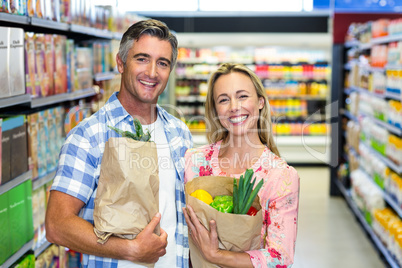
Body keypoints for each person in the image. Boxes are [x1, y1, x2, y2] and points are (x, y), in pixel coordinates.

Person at [45, 19, 193, 268]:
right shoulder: (89, 135)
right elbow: (56, 225)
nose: (152, 72)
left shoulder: (179, 133)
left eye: (163, 63)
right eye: (142, 59)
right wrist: (131, 250)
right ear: (121, 63)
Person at [183, 63, 299, 268]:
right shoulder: (194, 162)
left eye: (242, 96)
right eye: (223, 99)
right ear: (215, 109)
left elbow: (280, 258)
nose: (234, 106)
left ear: (261, 102)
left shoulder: (280, 177)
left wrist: (216, 255)